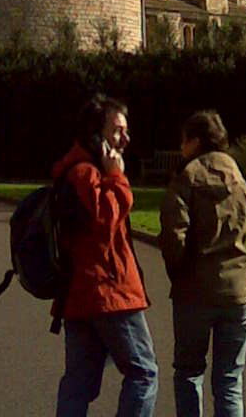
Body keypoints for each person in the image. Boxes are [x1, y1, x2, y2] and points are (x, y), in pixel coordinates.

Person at [52, 94, 158, 417]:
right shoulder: (84, 174)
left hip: (84, 296)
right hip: (107, 293)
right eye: (116, 131)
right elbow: (105, 219)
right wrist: (117, 178)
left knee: (78, 384)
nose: (124, 139)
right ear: (96, 135)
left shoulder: (77, 170)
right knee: (143, 373)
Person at [159, 111, 246, 417]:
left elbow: (174, 237)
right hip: (238, 290)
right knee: (229, 379)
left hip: (195, 292)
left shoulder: (186, 178)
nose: (181, 146)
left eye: (184, 140)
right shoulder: (237, 176)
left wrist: (178, 273)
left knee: (189, 372)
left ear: (195, 141)